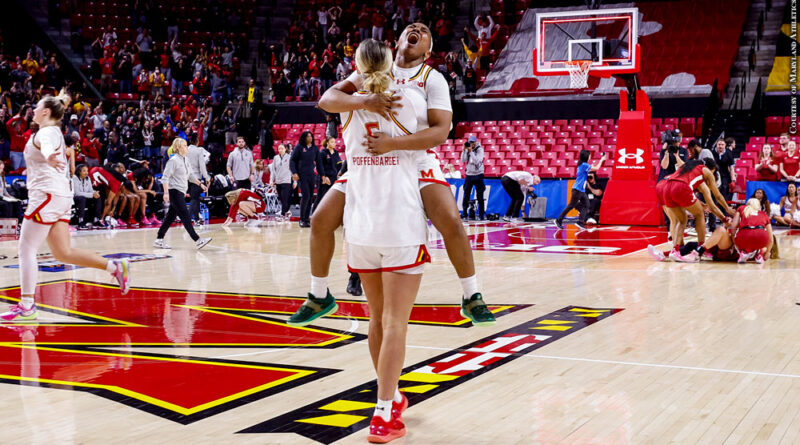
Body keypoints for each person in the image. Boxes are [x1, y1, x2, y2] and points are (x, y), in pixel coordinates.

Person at [295, 23, 496, 328]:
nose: (416, 28)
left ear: (427, 50)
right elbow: (326, 100)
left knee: (451, 221)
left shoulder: (433, 79)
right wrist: (363, 100)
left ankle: (472, 295)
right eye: (410, 27)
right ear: (398, 40)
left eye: (424, 30)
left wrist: (392, 144)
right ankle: (319, 294)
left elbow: (441, 132)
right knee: (322, 219)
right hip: (371, 161)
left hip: (413, 158)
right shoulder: (374, 71)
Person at [337, 38, 423, 442]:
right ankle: (384, 414)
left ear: (355, 65)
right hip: (400, 222)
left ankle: (389, 396)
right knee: (395, 323)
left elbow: (328, 97)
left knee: (376, 319)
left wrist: (361, 90)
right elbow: (438, 134)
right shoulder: (409, 98)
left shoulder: (346, 104)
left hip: (362, 226)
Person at [1, 91, 130, 322]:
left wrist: (50, 157)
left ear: (46, 112)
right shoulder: (52, 131)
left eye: (37, 107)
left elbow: (48, 147)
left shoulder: (47, 132)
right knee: (63, 252)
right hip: (59, 195)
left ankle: (27, 305)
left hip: (47, 195)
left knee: (26, 248)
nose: (33, 110)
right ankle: (114, 267)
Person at [654, 159, 734, 262]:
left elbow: (686, 193)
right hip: (680, 187)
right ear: (711, 169)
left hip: (666, 187)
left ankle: (676, 250)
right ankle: (701, 247)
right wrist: (727, 210)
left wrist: (702, 204)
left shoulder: (688, 167)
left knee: (680, 220)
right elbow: (717, 197)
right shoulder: (705, 172)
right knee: (700, 214)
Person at [153, 138, 212, 250]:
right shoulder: (173, 161)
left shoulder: (186, 160)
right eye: (184, 145)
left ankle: (159, 239)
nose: (187, 147)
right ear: (178, 148)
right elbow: (165, 178)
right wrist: (166, 193)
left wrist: (200, 184)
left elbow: (190, 176)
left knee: (170, 217)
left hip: (181, 191)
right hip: (174, 191)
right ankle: (198, 240)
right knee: (185, 215)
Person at [556, 150, 606, 229]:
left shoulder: (583, 165)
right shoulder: (584, 165)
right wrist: (602, 160)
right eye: (589, 155)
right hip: (577, 189)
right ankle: (559, 220)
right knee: (571, 206)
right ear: (586, 156)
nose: (590, 156)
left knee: (587, 205)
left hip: (581, 190)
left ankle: (580, 221)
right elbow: (596, 168)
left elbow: (590, 169)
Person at [290, 131, 322, 227]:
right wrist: (294, 172)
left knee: (310, 197)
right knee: (306, 196)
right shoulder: (299, 147)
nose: (310, 138)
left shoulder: (315, 149)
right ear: (304, 138)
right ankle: (301, 219)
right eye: (308, 136)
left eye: (311, 136)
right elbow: (292, 160)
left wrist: (323, 175)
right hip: (301, 175)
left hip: (311, 176)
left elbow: (319, 163)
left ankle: (307, 219)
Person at [732, 198, 773, 263]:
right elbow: (771, 239)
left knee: (743, 239)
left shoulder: (741, 208)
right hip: (761, 237)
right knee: (761, 244)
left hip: (744, 235)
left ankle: (743, 252)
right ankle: (759, 254)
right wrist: (768, 252)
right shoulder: (763, 214)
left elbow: (733, 227)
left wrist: (735, 244)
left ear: (747, 204)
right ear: (758, 206)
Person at [314, 136, 341, 212]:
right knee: (320, 197)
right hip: (323, 179)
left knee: (331, 198)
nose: (334, 143)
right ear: (327, 143)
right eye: (332, 142)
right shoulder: (322, 153)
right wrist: (324, 177)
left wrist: (340, 174)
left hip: (333, 178)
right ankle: (313, 215)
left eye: (335, 142)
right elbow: (319, 166)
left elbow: (339, 165)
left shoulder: (336, 152)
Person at [461, 135, 484, 219]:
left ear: (475, 142)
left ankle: (481, 214)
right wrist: (464, 151)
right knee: (466, 194)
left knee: (480, 195)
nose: (471, 144)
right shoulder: (467, 149)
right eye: (470, 142)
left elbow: (477, 161)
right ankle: (464, 213)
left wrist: (470, 152)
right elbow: (463, 160)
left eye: (472, 142)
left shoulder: (480, 149)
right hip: (469, 175)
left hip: (478, 174)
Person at [186, 140, 210, 225]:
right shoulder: (199, 150)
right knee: (194, 199)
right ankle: (188, 219)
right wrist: (207, 178)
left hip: (185, 177)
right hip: (195, 177)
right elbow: (202, 166)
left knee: (195, 198)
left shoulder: (185, 149)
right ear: (197, 141)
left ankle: (196, 219)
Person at [72, 164, 101, 229]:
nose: (86, 173)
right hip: (75, 198)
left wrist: (95, 193)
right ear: (79, 171)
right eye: (84, 171)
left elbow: (90, 190)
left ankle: (96, 220)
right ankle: (81, 221)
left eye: (87, 171)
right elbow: (77, 193)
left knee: (97, 198)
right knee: (82, 198)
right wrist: (91, 195)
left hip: (85, 198)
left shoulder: (88, 179)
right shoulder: (74, 178)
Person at [270, 143, 293, 218]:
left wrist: (295, 181)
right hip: (278, 180)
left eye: (282, 148)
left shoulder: (289, 157)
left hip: (286, 180)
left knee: (285, 197)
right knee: (281, 198)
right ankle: (287, 211)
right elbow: (273, 170)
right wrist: (271, 180)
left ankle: (283, 214)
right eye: (279, 148)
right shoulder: (275, 157)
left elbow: (292, 169)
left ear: (285, 149)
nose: (280, 150)